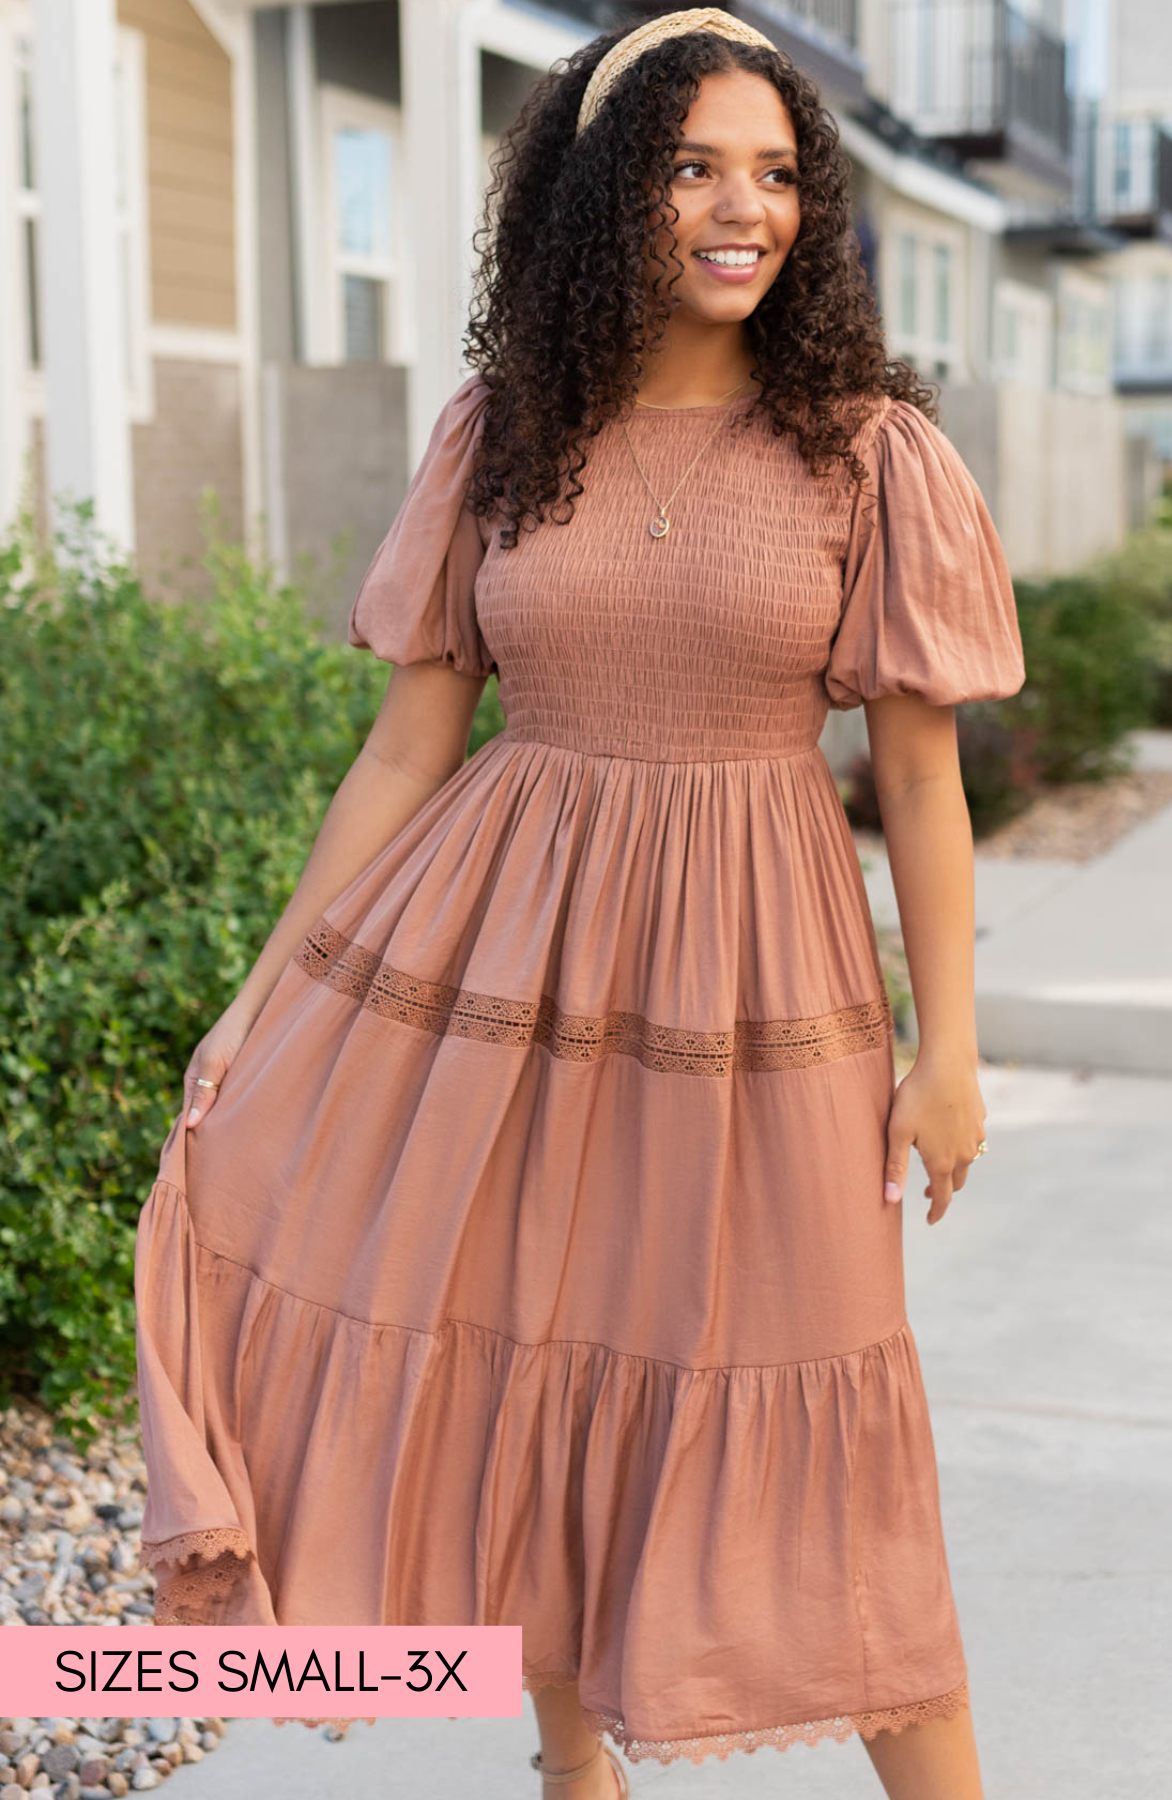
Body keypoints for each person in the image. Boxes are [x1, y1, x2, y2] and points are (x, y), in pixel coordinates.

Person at [132, 10, 1025, 1798]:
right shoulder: (506, 435)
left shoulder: (867, 454)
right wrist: (259, 996)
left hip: (762, 994)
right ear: (603, 197)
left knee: (818, 1412)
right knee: (532, 1371)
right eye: (691, 166)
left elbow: (916, 778)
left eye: (776, 173)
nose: (739, 208)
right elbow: (404, 755)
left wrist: (949, 1052)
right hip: (506, 977)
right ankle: (573, 1775)